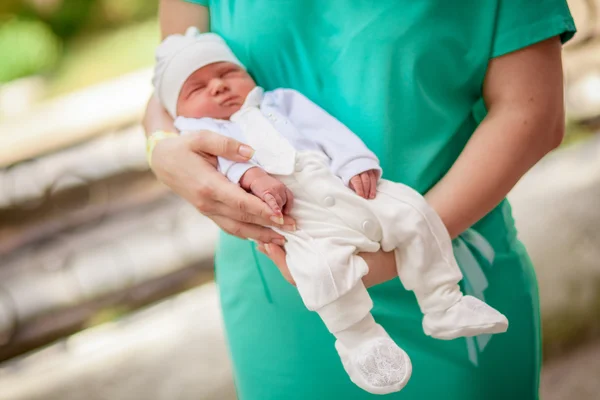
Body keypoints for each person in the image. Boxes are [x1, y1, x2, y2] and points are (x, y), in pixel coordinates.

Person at [143, 1, 576, 398]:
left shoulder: (278, 106)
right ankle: (360, 342)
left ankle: (445, 304)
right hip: (282, 291)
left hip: (454, 253)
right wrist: (162, 149)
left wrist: (397, 252)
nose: (217, 87)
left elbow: (532, 112)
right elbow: (165, 97)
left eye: (224, 75)